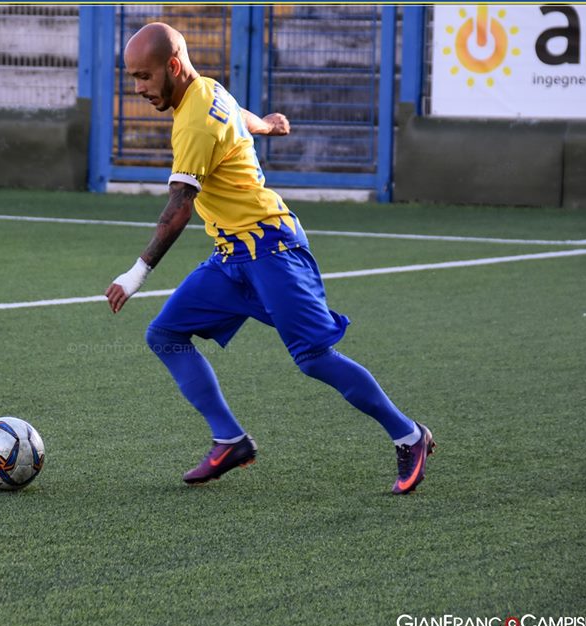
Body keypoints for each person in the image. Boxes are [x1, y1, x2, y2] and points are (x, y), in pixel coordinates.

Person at [104, 22, 434, 494]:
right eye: (132, 77)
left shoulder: (194, 119)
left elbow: (178, 208)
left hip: (272, 251)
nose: (137, 88)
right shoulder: (206, 90)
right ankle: (229, 439)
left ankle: (409, 434)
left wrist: (137, 274)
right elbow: (237, 114)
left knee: (315, 357)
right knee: (166, 334)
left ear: (173, 67)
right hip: (232, 257)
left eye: (144, 76)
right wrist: (268, 126)